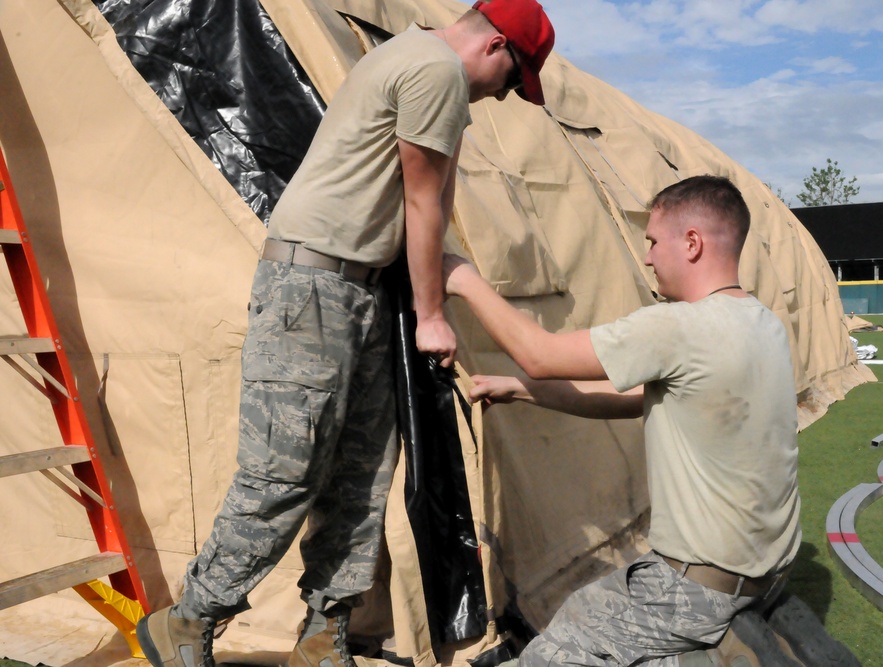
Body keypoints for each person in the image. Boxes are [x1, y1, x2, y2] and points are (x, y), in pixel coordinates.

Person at [137, 2, 555, 666]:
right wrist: (432, 314)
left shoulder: (412, 58)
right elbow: (423, 200)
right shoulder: (435, 70)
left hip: (359, 286)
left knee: (362, 470)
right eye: (509, 79)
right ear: (497, 46)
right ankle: (189, 616)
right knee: (283, 468)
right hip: (315, 287)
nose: (497, 95)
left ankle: (322, 631)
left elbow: (427, 198)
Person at [443, 175, 801, 665]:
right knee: (582, 611)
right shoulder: (759, 322)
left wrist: (464, 280)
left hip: (697, 588)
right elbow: (633, 396)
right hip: (766, 570)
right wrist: (522, 390)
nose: (648, 256)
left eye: (653, 241)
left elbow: (539, 354)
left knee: (552, 652)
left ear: (692, 243)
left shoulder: (678, 326)